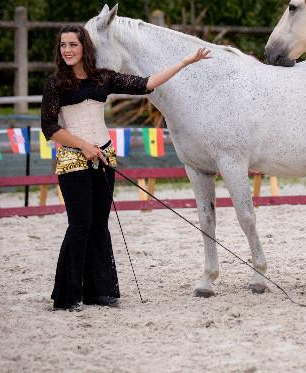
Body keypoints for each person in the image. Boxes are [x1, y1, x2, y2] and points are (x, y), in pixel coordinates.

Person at [41, 24, 211, 311]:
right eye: (63, 45)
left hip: (104, 158)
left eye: (73, 44)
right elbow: (49, 127)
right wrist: (83, 145)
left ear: (85, 47)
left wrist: (184, 62)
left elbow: (146, 83)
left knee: (99, 224)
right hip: (73, 159)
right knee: (80, 224)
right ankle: (68, 296)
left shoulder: (102, 78)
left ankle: (100, 292)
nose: (67, 50)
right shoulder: (56, 84)